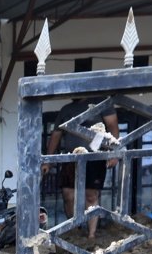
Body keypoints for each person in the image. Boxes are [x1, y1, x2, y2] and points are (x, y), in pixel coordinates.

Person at [45, 98, 120, 242]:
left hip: (94, 157)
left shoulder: (102, 106)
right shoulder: (66, 109)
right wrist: (48, 160)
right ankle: (75, 229)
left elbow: (113, 126)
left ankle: (91, 234)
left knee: (91, 195)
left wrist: (114, 151)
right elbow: (56, 134)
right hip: (71, 158)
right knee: (68, 194)